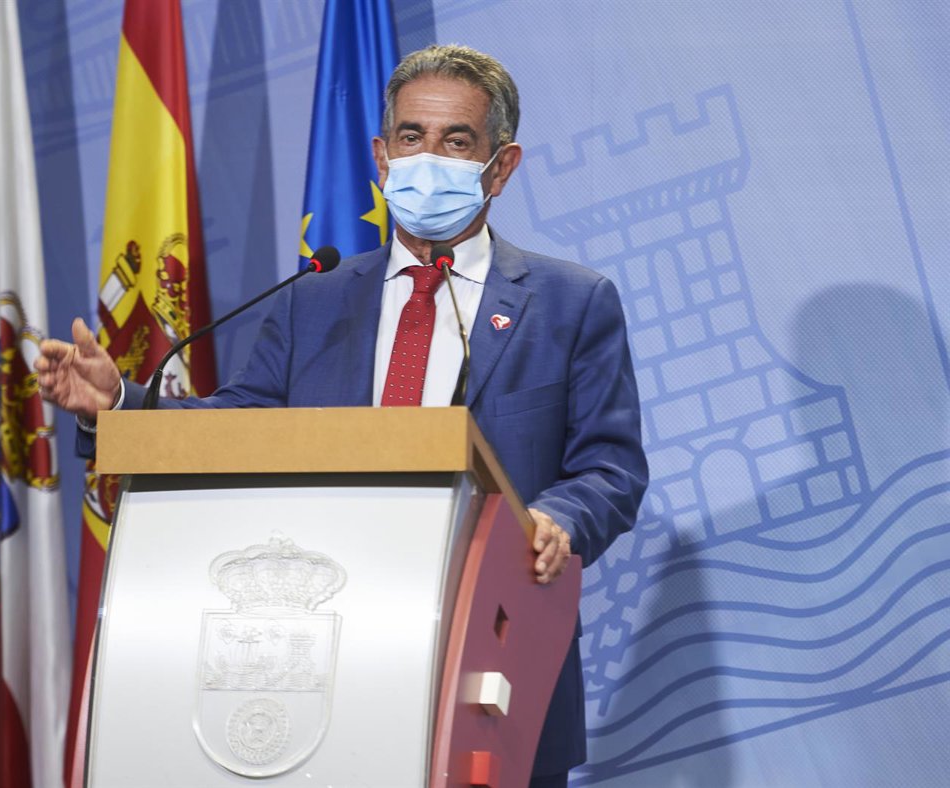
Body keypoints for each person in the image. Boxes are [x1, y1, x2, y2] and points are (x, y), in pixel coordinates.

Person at [38, 44, 647, 788]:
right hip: (327, 653)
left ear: (501, 166)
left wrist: (554, 521)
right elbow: (238, 428)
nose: (429, 158)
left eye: (457, 141)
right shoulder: (314, 296)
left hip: (490, 651)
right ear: (382, 157)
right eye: (412, 137)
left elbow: (610, 469)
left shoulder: (570, 303)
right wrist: (121, 404)